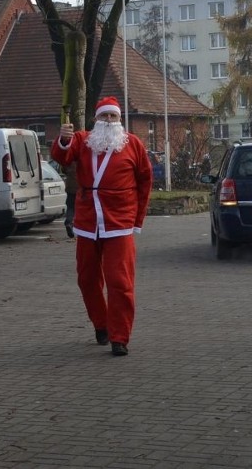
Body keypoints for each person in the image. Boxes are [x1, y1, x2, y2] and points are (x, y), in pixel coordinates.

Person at [51, 96, 153, 356]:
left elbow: (145, 183)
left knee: (119, 281)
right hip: (87, 221)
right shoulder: (84, 140)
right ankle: (101, 324)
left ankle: (120, 337)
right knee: (87, 278)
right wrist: (63, 138)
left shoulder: (133, 145)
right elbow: (62, 156)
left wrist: (137, 220)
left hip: (119, 221)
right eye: (103, 116)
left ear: (120, 120)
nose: (108, 121)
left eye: (113, 116)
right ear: (95, 119)